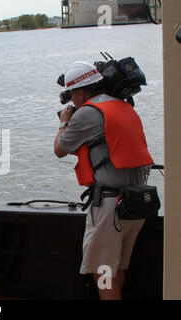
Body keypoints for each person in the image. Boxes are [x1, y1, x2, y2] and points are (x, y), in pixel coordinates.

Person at [53, 61, 154, 300]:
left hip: (111, 206)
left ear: (79, 92)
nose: (72, 100)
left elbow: (59, 149)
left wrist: (64, 122)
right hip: (136, 202)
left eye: (72, 94)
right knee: (116, 269)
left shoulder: (87, 113)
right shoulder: (123, 105)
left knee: (103, 272)